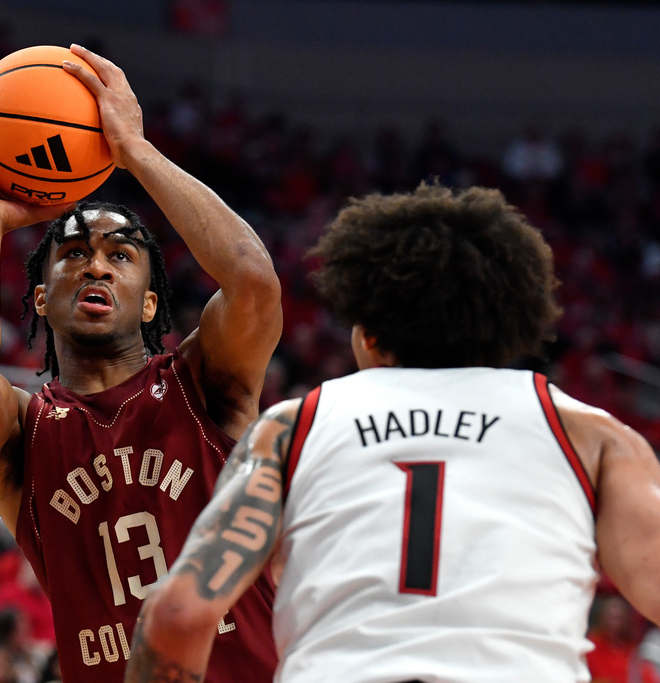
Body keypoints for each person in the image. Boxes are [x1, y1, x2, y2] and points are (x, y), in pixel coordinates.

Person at [125, 183, 660, 683]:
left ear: (369, 331)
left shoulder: (293, 429)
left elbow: (179, 613)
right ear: (506, 328)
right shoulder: (592, 437)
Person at [0, 44, 282, 682]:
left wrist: (133, 150)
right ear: (40, 296)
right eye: (72, 254)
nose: (95, 264)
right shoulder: (24, 436)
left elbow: (253, 283)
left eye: (120, 254)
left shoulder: (204, 385)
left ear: (151, 302)